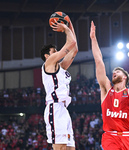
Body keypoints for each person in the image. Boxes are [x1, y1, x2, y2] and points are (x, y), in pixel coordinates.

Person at [90, 21, 129, 150]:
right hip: (110, 136)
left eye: (117, 71)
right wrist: (93, 39)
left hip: (127, 137)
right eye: (113, 72)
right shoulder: (106, 88)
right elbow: (99, 61)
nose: (114, 73)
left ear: (124, 77)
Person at [41, 18, 78, 150]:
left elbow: (74, 49)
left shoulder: (61, 68)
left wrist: (69, 24)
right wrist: (66, 29)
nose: (56, 53)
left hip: (64, 109)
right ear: (47, 56)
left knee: (70, 148)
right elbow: (71, 42)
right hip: (54, 108)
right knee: (60, 148)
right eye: (54, 51)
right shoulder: (48, 63)